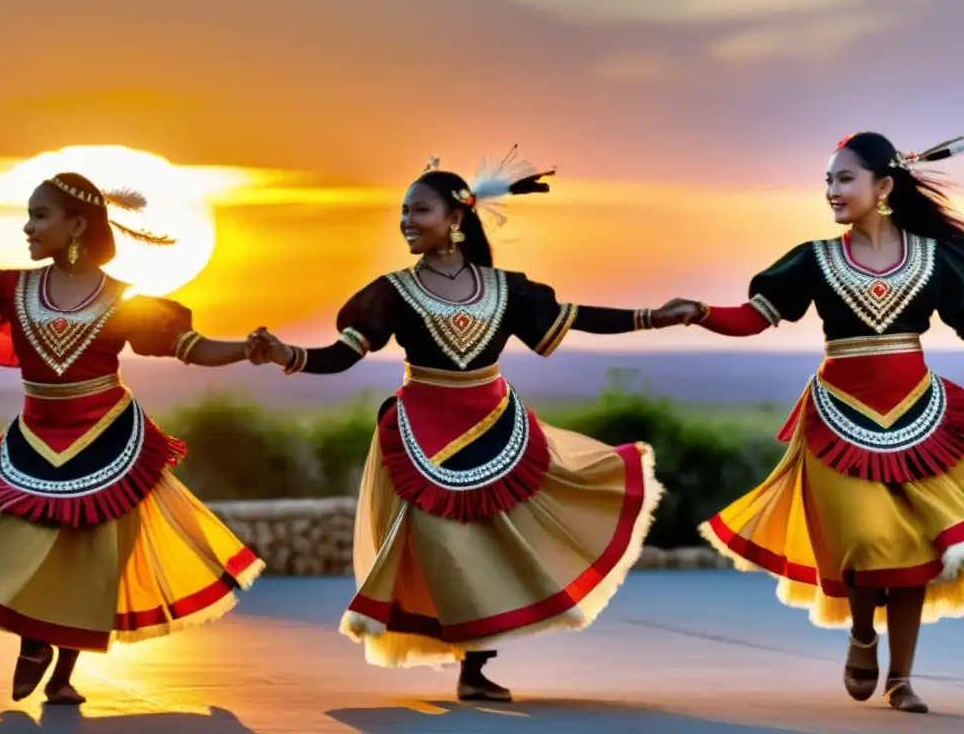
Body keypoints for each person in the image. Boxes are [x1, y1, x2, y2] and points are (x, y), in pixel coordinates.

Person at [246, 149, 701, 702]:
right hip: (423, 431)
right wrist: (286, 354)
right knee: (448, 546)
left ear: (455, 219)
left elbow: (578, 317)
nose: (407, 222)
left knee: (488, 543)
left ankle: (475, 665)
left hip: (494, 423)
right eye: (404, 212)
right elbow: (342, 355)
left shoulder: (506, 289)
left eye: (420, 211)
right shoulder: (390, 293)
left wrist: (654, 316)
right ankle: (466, 654)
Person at [0, 173, 266, 705]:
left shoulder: (124, 300)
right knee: (23, 541)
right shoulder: (9, 287)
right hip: (37, 436)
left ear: (76, 225)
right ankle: (33, 643)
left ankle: (65, 670)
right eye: (28, 215)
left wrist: (246, 350)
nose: (27, 227)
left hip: (105, 438)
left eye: (39, 215)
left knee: (90, 556)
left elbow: (191, 347)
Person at [668, 132, 964, 714]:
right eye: (827, 180)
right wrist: (700, 312)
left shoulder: (934, 259)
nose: (831, 190)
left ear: (883, 187)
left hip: (921, 418)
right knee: (864, 539)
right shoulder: (814, 259)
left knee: (913, 551)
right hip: (837, 419)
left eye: (843, 178)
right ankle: (861, 631)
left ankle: (901, 678)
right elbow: (754, 319)